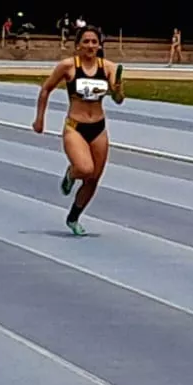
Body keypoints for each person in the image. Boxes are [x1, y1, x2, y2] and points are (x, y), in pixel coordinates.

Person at [33, 24, 124, 235]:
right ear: (77, 46)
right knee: (85, 169)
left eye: (94, 42)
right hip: (75, 127)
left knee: (93, 179)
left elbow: (119, 100)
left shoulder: (108, 67)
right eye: (86, 41)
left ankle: (74, 217)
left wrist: (118, 91)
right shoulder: (68, 66)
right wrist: (40, 119)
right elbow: (46, 89)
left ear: (99, 45)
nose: (90, 45)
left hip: (98, 128)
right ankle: (71, 175)